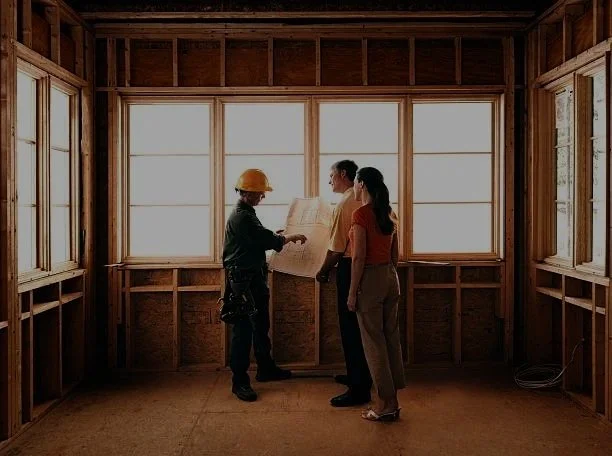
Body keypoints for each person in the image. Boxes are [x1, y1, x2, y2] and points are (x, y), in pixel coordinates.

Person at [223, 168, 307, 402]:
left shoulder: (247, 212)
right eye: (260, 192)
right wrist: (288, 237)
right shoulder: (242, 216)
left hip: (252, 277)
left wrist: (275, 235)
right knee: (243, 331)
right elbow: (267, 240)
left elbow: (258, 237)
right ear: (247, 193)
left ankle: (266, 368)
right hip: (242, 281)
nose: (263, 196)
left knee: (260, 325)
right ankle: (239, 382)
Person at [348, 167, 404, 422]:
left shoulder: (360, 214)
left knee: (374, 343)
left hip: (370, 280)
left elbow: (358, 257)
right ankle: (393, 400)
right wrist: (389, 276)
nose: (354, 188)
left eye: (356, 184)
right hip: (391, 278)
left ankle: (384, 406)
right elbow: (395, 256)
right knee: (391, 339)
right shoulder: (389, 212)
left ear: (361, 184)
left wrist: (352, 293)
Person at [316, 160, 372, 407]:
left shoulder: (345, 204)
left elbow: (338, 249)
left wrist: (323, 270)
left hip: (350, 267)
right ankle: (360, 377)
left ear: (343, 174)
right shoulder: (369, 200)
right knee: (363, 328)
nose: (329, 181)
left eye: (331, 176)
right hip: (374, 271)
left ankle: (358, 389)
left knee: (350, 328)